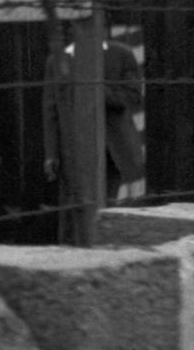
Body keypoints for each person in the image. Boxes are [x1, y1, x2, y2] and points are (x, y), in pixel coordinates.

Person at [43, 25, 147, 222]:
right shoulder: (56, 61)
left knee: (119, 217)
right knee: (81, 217)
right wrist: (51, 154)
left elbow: (133, 98)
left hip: (117, 152)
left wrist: (94, 90)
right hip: (75, 153)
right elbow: (51, 110)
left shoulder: (121, 54)